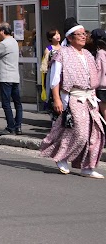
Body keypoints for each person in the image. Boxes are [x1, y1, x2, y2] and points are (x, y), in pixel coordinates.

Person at [40, 18, 105, 177]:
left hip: (90, 98)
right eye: (79, 34)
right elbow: (55, 79)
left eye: (84, 34)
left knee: (96, 133)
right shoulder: (62, 53)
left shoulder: (88, 54)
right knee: (80, 132)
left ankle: (87, 167)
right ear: (69, 37)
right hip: (73, 97)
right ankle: (62, 157)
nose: (83, 37)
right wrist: (57, 98)